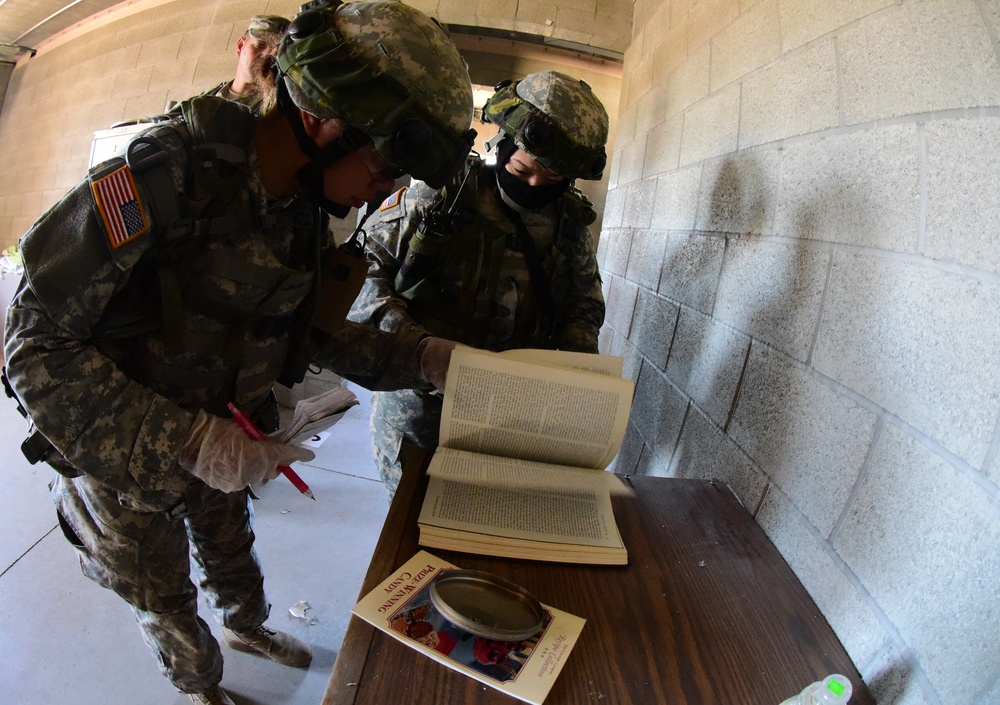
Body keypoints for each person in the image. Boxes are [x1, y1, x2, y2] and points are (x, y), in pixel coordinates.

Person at [2, 2, 475, 704]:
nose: (388, 190)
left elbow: (310, 331)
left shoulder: (300, 207)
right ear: (325, 121)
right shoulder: (161, 179)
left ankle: (247, 626)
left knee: (233, 555)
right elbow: (32, 346)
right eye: (386, 168)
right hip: (126, 459)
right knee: (163, 597)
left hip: (232, 435)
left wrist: (424, 359)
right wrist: (186, 440)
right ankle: (200, 684)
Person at [349, 70, 609, 497]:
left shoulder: (568, 226)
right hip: (420, 410)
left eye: (552, 181)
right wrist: (417, 349)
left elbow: (584, 305)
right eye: (522, 169)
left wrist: (576, 377)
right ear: (502, 143)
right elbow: (362, 272)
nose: (533, 186)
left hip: (510, 419)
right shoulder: (439, 194)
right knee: (411, 519)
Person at [200, 14, 289, 116]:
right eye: (261, 45)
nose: (267, 55)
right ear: (240, 46)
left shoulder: (281, 106)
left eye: (277, 52)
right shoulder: (206, 100)